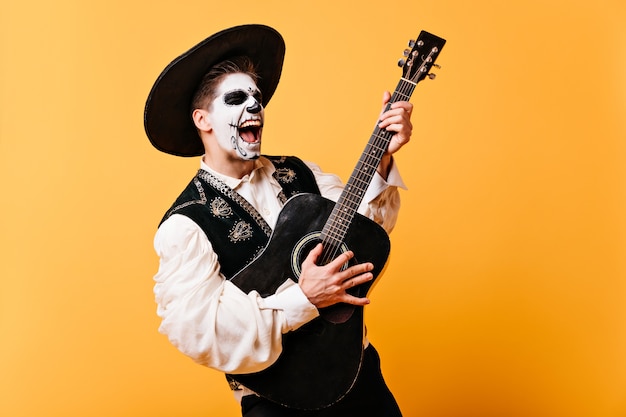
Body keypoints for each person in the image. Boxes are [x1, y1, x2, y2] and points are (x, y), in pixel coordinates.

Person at [145, 24, 414, 417]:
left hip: (356, 375)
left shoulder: (301, 173)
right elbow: (202, 329)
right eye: (236, 98)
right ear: (203, 119)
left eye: (256, 97)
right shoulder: (187, 224)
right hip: (275, 399)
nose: (254, 107)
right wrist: (302, 300)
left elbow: (366, 234)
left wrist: (383, 156)